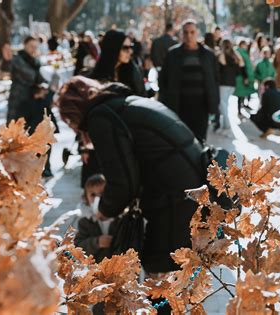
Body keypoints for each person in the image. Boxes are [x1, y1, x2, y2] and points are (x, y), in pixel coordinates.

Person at [57, 76, 208, 291]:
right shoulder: (124, 103)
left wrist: (104, 210)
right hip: (191, 185)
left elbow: (122, 182)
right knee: (174, 273)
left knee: (160, 276)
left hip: (174, 198)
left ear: (74, 114)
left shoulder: (101, 117)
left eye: (70, 123)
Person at [159, 19, 220, 142]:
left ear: (197, 33)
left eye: (192, 32)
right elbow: (163, 80)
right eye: (186, 32)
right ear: (181, 33)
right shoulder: (173, 54)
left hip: (201, 107)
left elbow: (215, 80)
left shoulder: (208, 55)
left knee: (199, 141)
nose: (189, 35)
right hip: (179, 105)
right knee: (180, 141)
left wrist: (214, 105)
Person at [7, 35, 57, 177]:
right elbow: (30, 76)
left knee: (41, 134)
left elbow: (40, 79)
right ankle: (18, 169)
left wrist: (43, 87)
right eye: (31, 46)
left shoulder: (36, 61)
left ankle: (42, 166)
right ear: (25, 45)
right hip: (20, 104)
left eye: (36, 47)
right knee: (19, 135)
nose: (33, 49)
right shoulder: (18, 59)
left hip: (34, 104)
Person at [74, 174, 113, 315]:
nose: (97, 199)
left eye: (102, 194)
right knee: (101, 305)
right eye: (93, 195)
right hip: (98, 273)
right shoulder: (85, 221)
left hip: (119, 271)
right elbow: (79, 245)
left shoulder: (120, 218)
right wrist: (96, 242)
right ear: (86, 198)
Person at [91, 29, 145, 96]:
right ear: (113, 48)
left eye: (131, 46)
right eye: (125, 48)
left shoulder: (133, 71)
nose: (130, 51)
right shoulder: (96, 76)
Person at [217, 39, 243, 134]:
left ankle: (227, 126)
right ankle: (224, 126)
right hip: (232, 84)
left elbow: (221, 66)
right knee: (225, 105)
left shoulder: (222, 55)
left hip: (223, 83)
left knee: (222, 105)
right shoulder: (235, 56)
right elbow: (240, 67)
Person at [234, 39, 256, 117]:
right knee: (240, 95)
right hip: (242, 76)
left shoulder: (242, 52)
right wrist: (245, 77)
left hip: (245, 76)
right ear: (242, 45)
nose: (246, 47)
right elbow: (242, 66)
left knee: (244, 93)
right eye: (245, 45)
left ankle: (242, 108)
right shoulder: (239, 52)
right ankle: (239, 111)